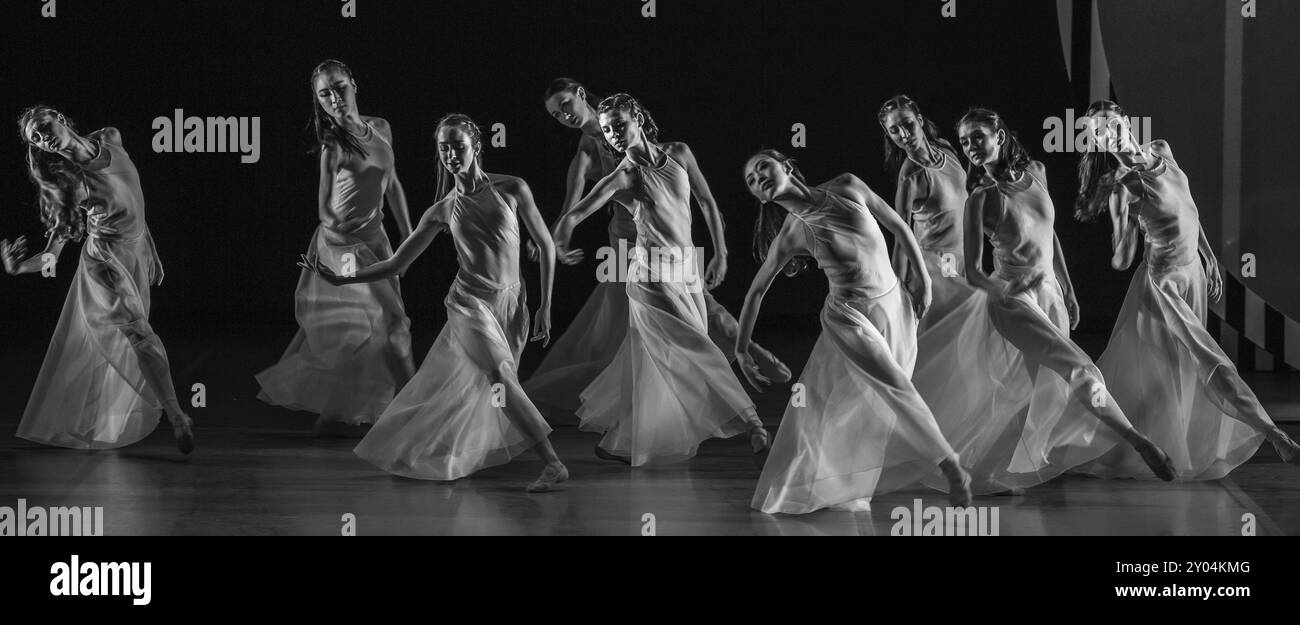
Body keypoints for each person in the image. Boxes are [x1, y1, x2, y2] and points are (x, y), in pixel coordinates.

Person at [303, 113, 568, 492]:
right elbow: (397, 262)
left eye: (457, 145)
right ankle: (553, 463)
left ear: (476, 145)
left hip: (512, 304)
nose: (450, 154)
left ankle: (448, 446)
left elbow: (545, 245)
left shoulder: (512, 188)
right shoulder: (443, 209)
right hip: (469, 304)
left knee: (488, 387)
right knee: (500, 378)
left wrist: (545, 304)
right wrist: (344, 277)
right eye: (443, 147)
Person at [525, 78, 788, 421]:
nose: (564, 117)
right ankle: (640, 414)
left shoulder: (635, 126)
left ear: (580, 95)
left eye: (565, 106)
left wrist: (690, 203)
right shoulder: (587, 153)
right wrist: (552, 239)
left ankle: (733, 358)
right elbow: (571, 207)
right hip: (627, 246)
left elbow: (672, 171)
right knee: (634, 329)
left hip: (669, 234)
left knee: (681, 314)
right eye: (556, 116)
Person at [1071, 100, 1300, 478]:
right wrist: (1123, 216)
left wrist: (1208, 256)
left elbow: (1188, 208)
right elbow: (1122, 260)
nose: (1107, 135)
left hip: (1192, 271)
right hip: (1165, 286)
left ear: (1125, 121)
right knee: (1206, 356)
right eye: (1098, 134)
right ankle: (1274, 434)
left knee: (1168, 369)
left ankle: (1136, 439)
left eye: (1109, 125)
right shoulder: (1124, 187)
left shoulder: (1161, 149)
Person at [737, 149, 972, 514]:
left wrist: (923, 280)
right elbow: (755, 293)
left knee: (873, 404)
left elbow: (899, 225)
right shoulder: (791, 233)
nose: (757, 179)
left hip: (894, 304)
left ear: (785, 165)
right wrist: (742, 349)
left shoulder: (847, 186)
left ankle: (839, 480)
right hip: (847, 316)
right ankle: (950, 465)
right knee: (896, 386)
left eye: (761, 167)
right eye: (750, 181)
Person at [2, 106, 194, 453]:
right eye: (36, 139)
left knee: (129, 339)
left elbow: (133, 197)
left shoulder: (111, 137)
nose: (43, 138)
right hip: (105, 262)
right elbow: (53, 255)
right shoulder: (72, 183)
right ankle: (178, 415)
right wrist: (17, 268)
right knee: (139, 333)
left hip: (133, 254)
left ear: (59, 118)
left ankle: (116, 413)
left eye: (43, 127)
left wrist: (149, 245)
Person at [256, 59, 415, 436]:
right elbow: (325, 211)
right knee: (392, 323)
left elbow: (391, 184)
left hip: (377, 240)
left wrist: (409, 238)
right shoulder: (333, 144)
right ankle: (414, 408)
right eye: (324, 93)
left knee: (366, 330)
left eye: (338, 87)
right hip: (341, 247)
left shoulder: (380, 128)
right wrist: (345, 239)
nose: (333, 98)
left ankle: (332, 417)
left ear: (353, 85)